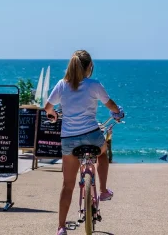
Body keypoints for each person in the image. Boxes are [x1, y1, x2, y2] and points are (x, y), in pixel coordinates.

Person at [44, 50, 124, 235]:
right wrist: (117, 113)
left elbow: (48, 108)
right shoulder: (93, 85)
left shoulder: (61, 85)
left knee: (68, 184)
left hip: (69, 140)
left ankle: (61, 227)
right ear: (89, 67)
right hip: (91, 135)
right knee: (102, 154)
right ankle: (103, 190)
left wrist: (53, 115)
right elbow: (111, 105)